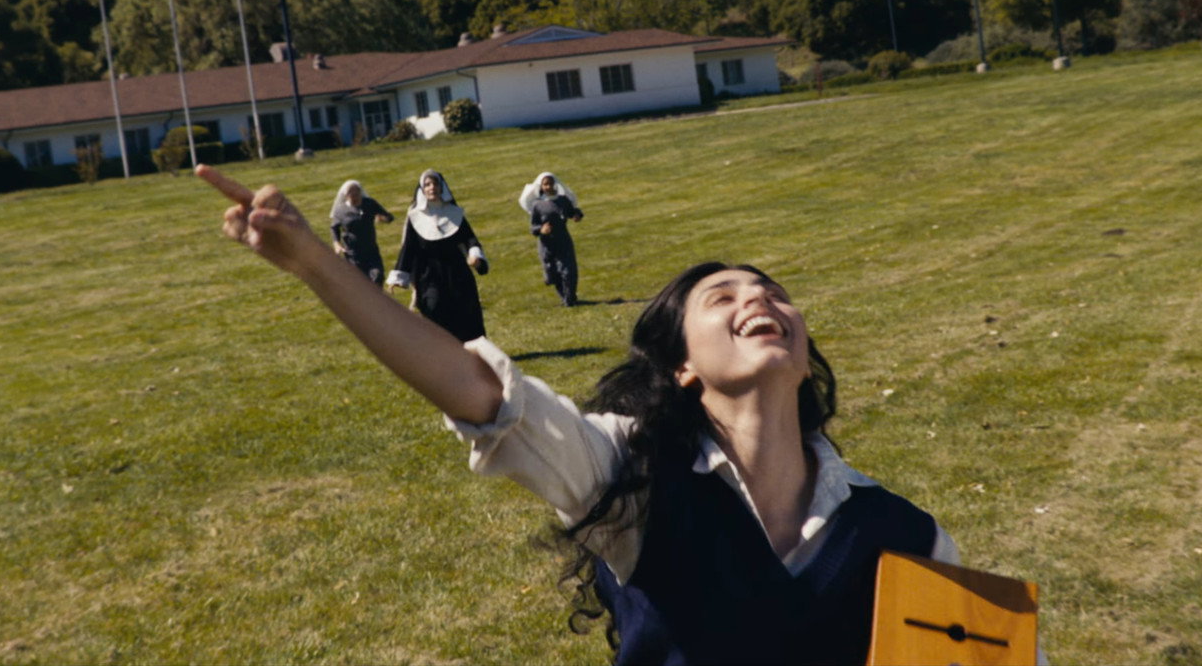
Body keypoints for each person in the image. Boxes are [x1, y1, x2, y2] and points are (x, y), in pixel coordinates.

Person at [196, 164, 961, 665]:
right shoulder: (634, 478)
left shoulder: (906, 536)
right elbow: (482, 396)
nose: (758, 298)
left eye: (769, 291)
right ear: (682, 367)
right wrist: (313, 263)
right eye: (722, 297)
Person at [385, 169, 489, 342]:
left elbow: (470, 239)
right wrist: (398, 276)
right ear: (422, 190)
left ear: (442, 188)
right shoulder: (415, 217)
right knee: (433, 308)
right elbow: (408, 248)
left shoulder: (454, 213)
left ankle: (472, 351)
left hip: (456, 272)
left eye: (435, 184)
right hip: (428, 276)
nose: (431, 187)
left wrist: (475, 256)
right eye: (427, 184)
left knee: (465, 311)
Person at [518, 172, 582, 302]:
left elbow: (572, 211)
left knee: (569, 271)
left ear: (555, 184)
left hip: (563, 241)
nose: (548, 187)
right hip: (547, 245)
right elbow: (533, 228)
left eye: (551, 183)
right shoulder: (537, 205)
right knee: (553, 275)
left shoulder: (563, 200)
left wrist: (577, 215)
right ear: (541, 186)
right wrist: (541, 229)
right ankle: (564, 296)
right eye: (545, 184)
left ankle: (570, 298)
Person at [329, 179, 393, 283]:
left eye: (357, 191)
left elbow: (389, 217)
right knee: (359, 282)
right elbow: (334, 227)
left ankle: (374, 298)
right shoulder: (341, 210)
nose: (354, 194)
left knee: (378, 276)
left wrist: (383, 218)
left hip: (371, 251)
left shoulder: (369, 204)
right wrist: (337, 243)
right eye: (351, 192)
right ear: (345, 195)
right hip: (353, 254)